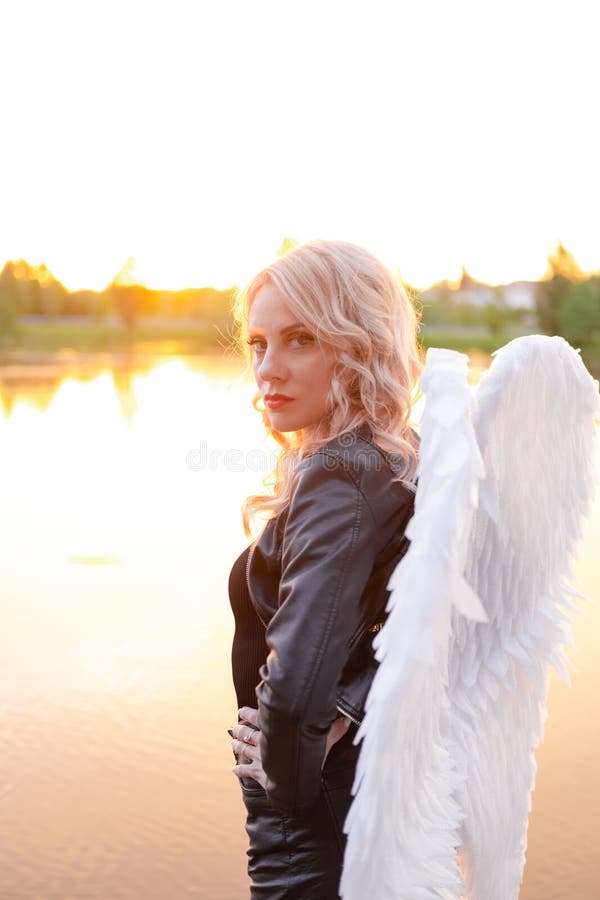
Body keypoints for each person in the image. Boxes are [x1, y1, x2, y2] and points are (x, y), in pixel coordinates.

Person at [227, 239, 422, 899]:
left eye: (300, 339)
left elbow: (295, 689)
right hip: (350, 808)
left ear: (360, 345)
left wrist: (280, 776)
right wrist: (353, 703)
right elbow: (413, 621)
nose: (268, 369)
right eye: (258, 343)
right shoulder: (394, 459)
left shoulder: (340, 474)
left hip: (307, 835)